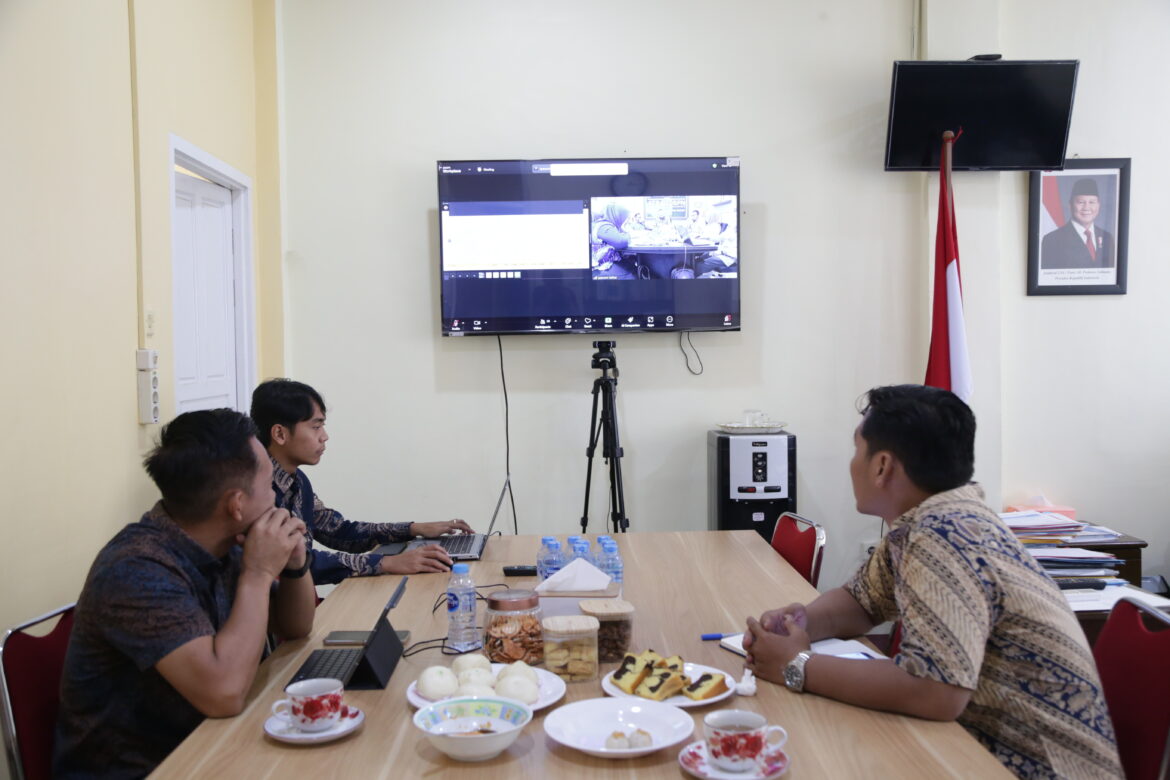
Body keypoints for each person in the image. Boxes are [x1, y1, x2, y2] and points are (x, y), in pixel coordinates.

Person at [741, 385, 1121, 779]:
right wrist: (801, 622)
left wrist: (797, 665)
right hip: (983, 748)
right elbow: (861, 602)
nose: (852, 463)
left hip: (1031, 766)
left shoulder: (944, 534)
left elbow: (938, 691)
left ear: (882, 466)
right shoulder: (932, 521)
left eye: (857, 450)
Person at [55, 409, 316, 778]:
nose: (275, 494)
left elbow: (296, 625)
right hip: (152, 768)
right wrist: (257, 574)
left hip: (216, 744)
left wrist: (294, 565)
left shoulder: (229, 541)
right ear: (236, 504)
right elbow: (223, 694)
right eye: (268, 483)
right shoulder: (135, 569)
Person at [250, 378, 472, 584]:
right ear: (279, 434)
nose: (324, 436)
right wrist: (386, 563)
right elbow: (297, 563)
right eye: (316, 426)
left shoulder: (297, 482)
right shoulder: (256, 493)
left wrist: (414, 529)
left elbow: (340, 532)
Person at [1040, 178, 1115, 269]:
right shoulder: (1052, 240)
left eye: (1092, 202)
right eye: (1081, 202)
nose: (1086, 207)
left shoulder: (1107, 238)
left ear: (1098, 205)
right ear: (1070, 205)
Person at [591, 202, 637, 279]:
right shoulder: (604, 227)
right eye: (623, 218)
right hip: (603, 266)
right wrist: (628, 235)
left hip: (604, 261)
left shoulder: (605, 225)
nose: (624, 220)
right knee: (632, 269)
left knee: (631, 260)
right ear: (617, 216)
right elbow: (621, 242)